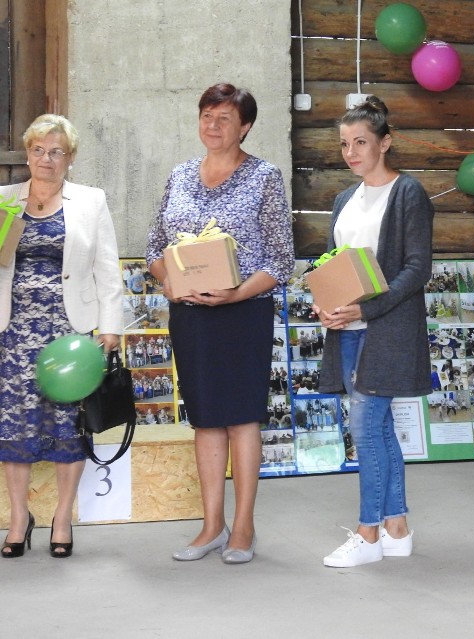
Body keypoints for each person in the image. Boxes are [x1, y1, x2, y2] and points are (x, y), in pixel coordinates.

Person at [146, 83, 294, 565]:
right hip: (189, 316)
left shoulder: (264, 177)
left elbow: (280, 259)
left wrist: (236, 292)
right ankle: (211, 526)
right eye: (206, 115)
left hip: (243, 313)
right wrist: (169, 281)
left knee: (241, 419)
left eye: (224, 118)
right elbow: (154, 248)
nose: (212, 125)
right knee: (206, 420)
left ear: (245, 126)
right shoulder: (181, 174)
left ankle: (244, 528)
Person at [315, 96, 434, 568]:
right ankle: (398, 528)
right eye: (345, 144)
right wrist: (326, 307)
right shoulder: (344, 200)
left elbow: (417, 269)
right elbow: (331, 266)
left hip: (386, 330)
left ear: (385, 143)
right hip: (346, 331)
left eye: (360, 142)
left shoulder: (408, 194)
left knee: (365, 431)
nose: (351, 152)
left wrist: (370, 307)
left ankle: (368, 534)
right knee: (380, 430)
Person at [0, 114, 123, 558]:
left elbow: (107, 267)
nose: (46, 159)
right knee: (13, 429)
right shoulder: (4, 199)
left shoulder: (90, 201)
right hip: (11, 333)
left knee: (68, 428)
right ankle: (18, 518)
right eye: (38, 150)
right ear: (27, 153)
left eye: (56, 152)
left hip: (69, 334)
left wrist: (110, 326)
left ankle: (63, 516)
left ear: (70, 158)